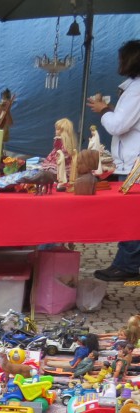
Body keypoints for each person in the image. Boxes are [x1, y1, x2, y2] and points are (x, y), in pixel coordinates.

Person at [89, 39, 140, 282]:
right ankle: (127, 262)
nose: (119, 63)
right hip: (131, 160)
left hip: (135, 163)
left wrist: (104, 111)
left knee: (131, 214)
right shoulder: (133, 87)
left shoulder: (138, 89)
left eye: (122, 59)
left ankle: (127, 264)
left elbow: (119, 125)